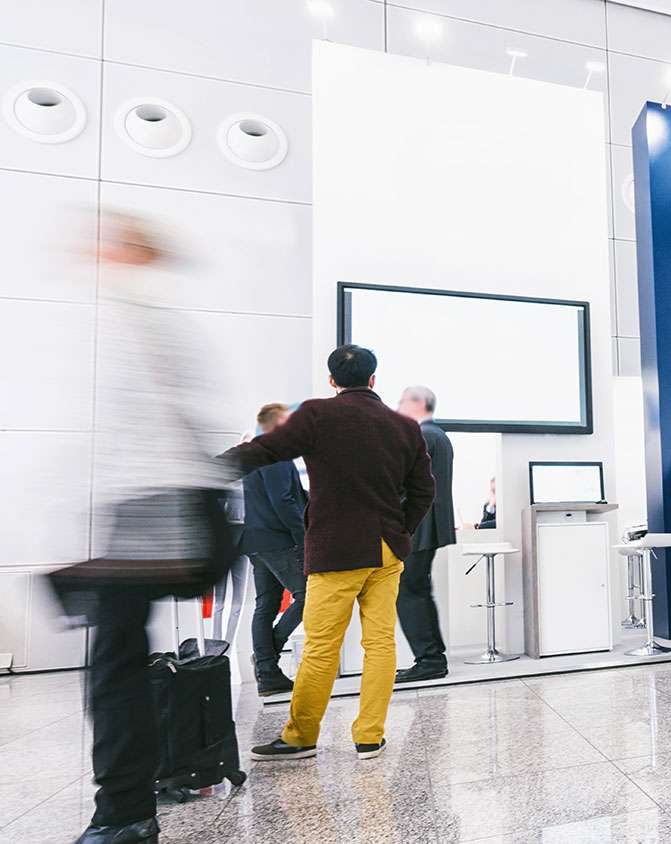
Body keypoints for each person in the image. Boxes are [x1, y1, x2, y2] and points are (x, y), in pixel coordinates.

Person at [63, 212, 232, 844]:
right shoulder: (148, 318)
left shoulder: (129, 318)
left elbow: (131, 430)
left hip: (147, 508)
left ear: (131, 250)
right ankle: (127, 806)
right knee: (118, 661)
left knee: (114, 666)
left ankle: (125, 811)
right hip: (157, 506)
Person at [220, 344, 435, 763]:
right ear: (374, 379)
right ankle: (370, 736)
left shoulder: (318, 414)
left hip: (337, 550)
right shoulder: (405, 427)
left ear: (333, 381)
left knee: (321, 646)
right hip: (387, 550)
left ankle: (301, 736)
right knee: (380, 644)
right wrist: (401, 528)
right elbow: (424, 491)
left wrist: (210, 468)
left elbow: (265, 451)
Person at [240, 402, 309, 695]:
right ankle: (267, 660)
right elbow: (284, 501)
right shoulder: (276, 455)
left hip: (256, 541)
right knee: (309, 596)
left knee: (265, 605)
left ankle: (268, 674)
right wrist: (303, 537)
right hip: (279, 541)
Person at [394, 386, 456, 683]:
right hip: (428, 524)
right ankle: (432, 657)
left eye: (402, 401)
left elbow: (405, 484)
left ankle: (429, 659)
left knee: (408, 591)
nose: (397, 407)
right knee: (417, 589)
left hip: (417, 525)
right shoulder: (438, 435)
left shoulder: (422, 435)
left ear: (418, 403)